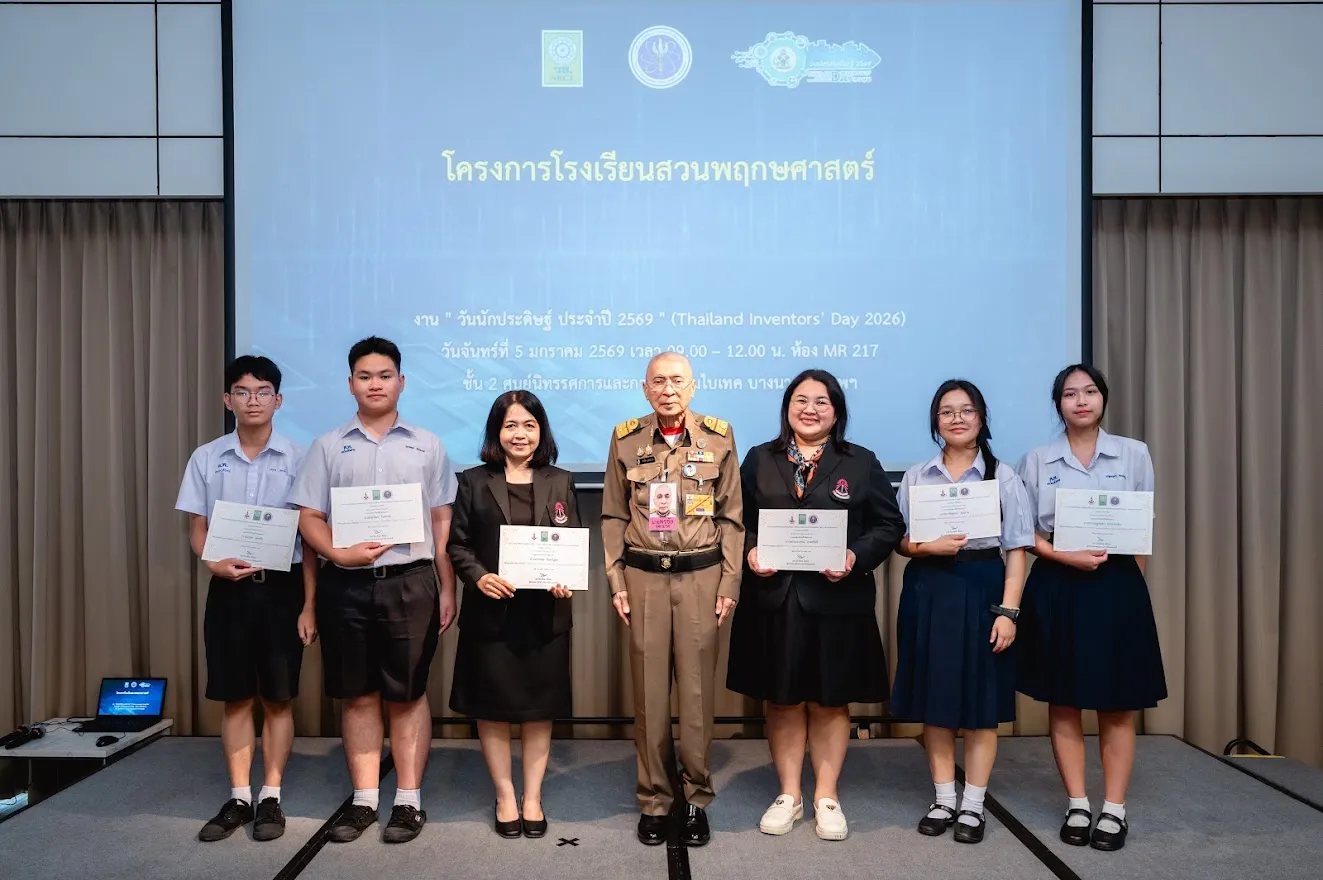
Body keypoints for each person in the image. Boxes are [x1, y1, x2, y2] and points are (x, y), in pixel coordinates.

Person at [289, 336, 458, 845]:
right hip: (345, 585)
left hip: (411, 581)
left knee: (407, 695)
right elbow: (309, 517)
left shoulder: (427, 444)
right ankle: (364, 800)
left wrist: (446, 585)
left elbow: (441, 519)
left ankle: (407, 801)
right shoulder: (327, 445)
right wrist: (338, 554)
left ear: (401, 382)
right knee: (358, 695)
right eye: (365, 376)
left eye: (385, 376)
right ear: (350, 384)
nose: (375, 384)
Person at [727, 368, 905, 841]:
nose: (810, 409)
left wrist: (854, 556)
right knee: (782, 699)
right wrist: (750, 551)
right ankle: (789, 794)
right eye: (800, 400)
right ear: (787, 408)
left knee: (830, 699)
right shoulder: (759, 458)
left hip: (837, 602)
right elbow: (736, 521)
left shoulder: (860, 461)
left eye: (821, 401)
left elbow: (889, 525)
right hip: (775, 600)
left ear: (837, 410)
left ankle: (827, 795)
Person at [1016, 364, 1166, 852]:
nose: (1081, 401)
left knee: (1117, 701)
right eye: (1069, 394)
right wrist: (1064, 557)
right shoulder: (1037, 459)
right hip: (1057, 581)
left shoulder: (1133, 453)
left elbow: (1142, 525)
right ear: (1057, 403)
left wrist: (1129, 588)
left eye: (1089, 392)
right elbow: (1025, 532)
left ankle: (1114, 809)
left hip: (1116, 585)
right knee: (1063, 698)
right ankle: (1078, 802)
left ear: (1103, 398)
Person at [602, 352, 743, 847]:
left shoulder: (719, 437)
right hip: (643, 577)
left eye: (677, 381)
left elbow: (731, 519)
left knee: (697, 698)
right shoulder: (625, 439)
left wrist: (729, 584)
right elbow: (613, 516)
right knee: (649, 697)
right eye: (658, 381)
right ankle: (655, 800)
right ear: (645, 389)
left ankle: (696, 796)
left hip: (701, 577)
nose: (668, 389)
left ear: (693, 386)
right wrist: (616, 580)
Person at [175, 355, 317, 843]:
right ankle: (239, 796)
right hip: (229, 590)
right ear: (227, 399)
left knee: (278, 698)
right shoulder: (206, 457)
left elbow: (312, 540)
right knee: (235, 697)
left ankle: (270, 795)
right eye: (242, 391)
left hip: (283, 589)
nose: (252, 400)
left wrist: (309, 605)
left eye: (262, 392)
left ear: (278, 400)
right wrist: (210, 561)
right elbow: (198, 527)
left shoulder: (301, 457)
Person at [891, 379, 1034, 844]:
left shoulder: (1003, 477)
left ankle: (973, 803)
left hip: (983, 587)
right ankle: (943, 798)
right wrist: (924, 547)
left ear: (981, 418)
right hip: (929, 588)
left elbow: (1017, 549)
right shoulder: (917, 476)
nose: (957, 418)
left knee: (980, 703)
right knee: (935, 700)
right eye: (947, 411)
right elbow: (901, 542)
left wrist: (1008, 611)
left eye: (966, 410)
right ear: (935, 420)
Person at [447, 391, 578, 839]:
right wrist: (479, 576)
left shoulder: (561, 480)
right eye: (510, 426)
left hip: (545, 616)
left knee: (540, 710)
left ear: (541, 431)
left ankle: (533, 796)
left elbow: (572, 542)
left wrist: (565, 579)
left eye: (529, 425)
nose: (519, 434)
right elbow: (457, 545)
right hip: (491, 615)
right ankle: (505, 795)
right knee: (493, 708)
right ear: (496, 432)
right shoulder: (472, 481)